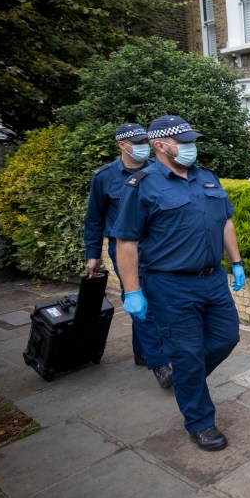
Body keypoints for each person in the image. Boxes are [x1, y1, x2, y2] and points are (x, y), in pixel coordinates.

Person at [112, 115, 246, 452]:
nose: (190, 147)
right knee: (186, 353)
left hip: (212, 279)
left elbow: (225, 222)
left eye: (190, 141)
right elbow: (126, 242)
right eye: (183, 142)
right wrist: (132, 291)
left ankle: (186, 378)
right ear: (160, 146)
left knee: (226, 337)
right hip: (170, 285)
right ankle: (200, 422)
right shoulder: (142, 185)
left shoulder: (207, 177)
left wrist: (237, 262)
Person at [83, 123, 172, 389]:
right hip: (124, 249)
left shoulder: (157, 170)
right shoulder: (105, 176)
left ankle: (142, 352)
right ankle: (159, 363)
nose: (144, 146)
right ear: (122, 145)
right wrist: (92, 254)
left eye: (146, 141)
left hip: (156, 246)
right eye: (138, 142)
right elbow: (94, 218)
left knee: (155, 300)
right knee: (137, 298)